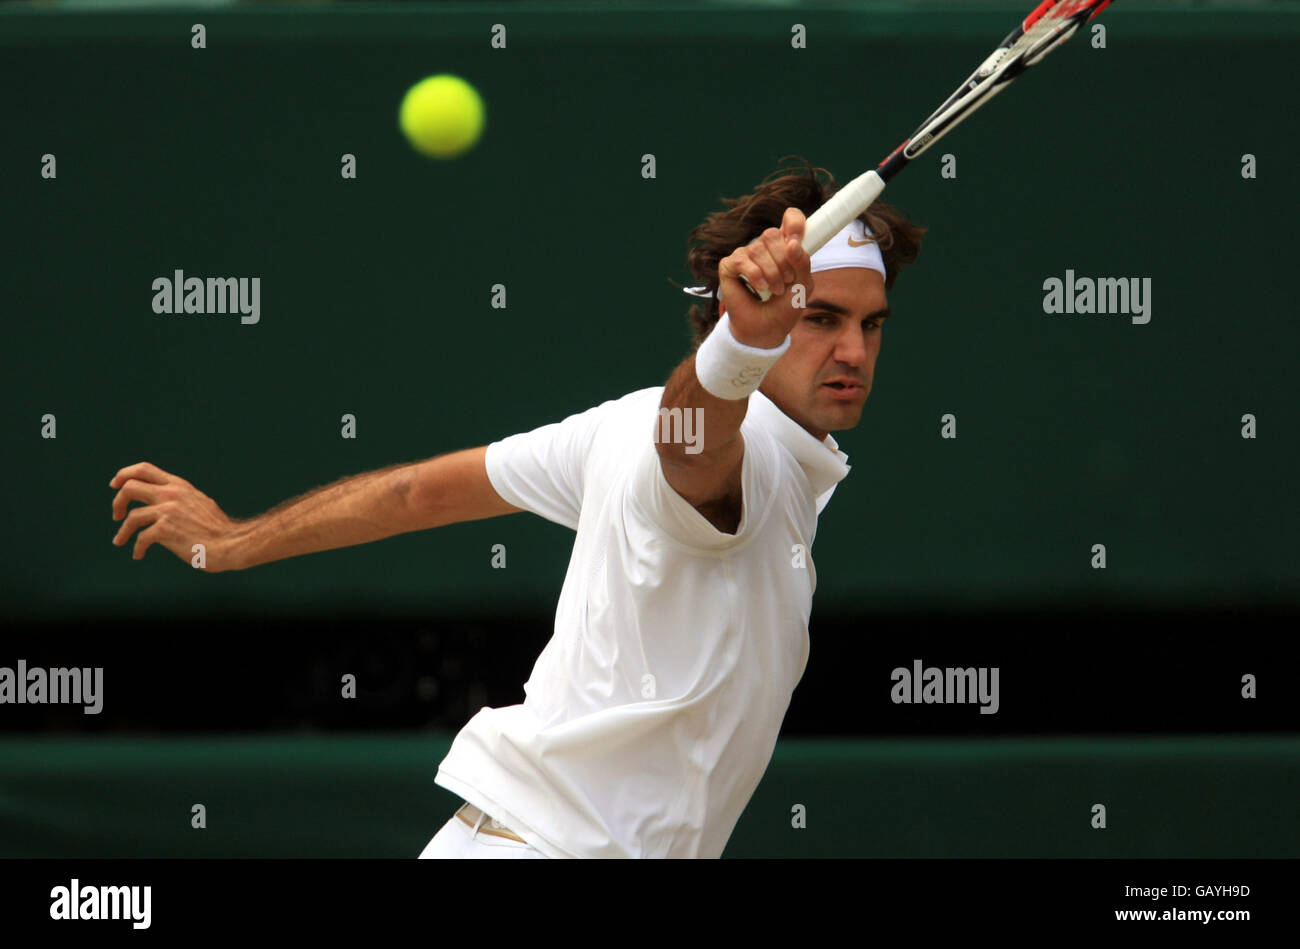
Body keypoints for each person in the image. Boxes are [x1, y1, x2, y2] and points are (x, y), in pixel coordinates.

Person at [108, 158, 924, 859]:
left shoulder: (624, 424)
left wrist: (236, 540)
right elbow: (691, 446)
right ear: (735, 316)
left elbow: (415, 492)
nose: (852, 351)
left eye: (871, 325)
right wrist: (737, 352)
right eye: (819, 319)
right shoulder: (743, 455)